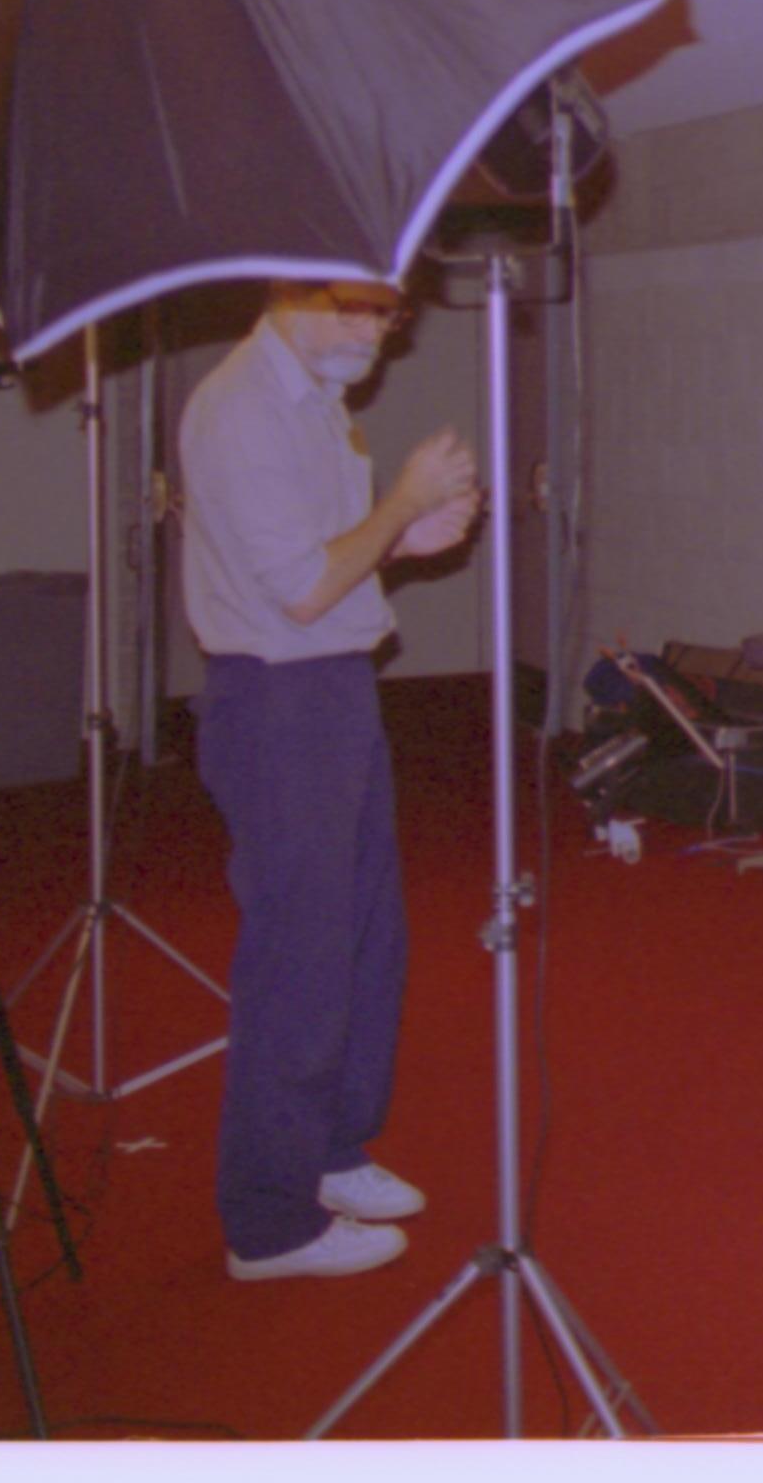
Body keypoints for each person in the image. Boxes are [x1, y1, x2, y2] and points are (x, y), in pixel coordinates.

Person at [178, 278, 480, 1282]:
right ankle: (266, 1224)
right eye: (350, 307)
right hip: (278, 704)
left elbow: (334, 564)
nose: (372, 332)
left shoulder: (318, 401)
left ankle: (331, 1152)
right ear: (284, 291)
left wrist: (405, 536)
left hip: (336, 690)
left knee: (363, 938)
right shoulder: (240, 411)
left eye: (387, 314)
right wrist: (402, 501)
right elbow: (303, 591)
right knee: (298, 962)